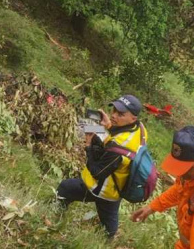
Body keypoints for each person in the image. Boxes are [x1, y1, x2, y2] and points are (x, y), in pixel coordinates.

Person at [56, 95, 147, 239]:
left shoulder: (119, 148)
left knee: (65, 188)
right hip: (117, 189)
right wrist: (110, 126)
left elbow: (97, 173)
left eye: (120, 114)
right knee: (109, 230)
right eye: (114, 111)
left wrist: (88, 146)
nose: (114, 115)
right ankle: (109, 234)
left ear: (133, 118)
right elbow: (119, 139)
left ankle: (55, 218)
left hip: (101, 189)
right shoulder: (140, 129)